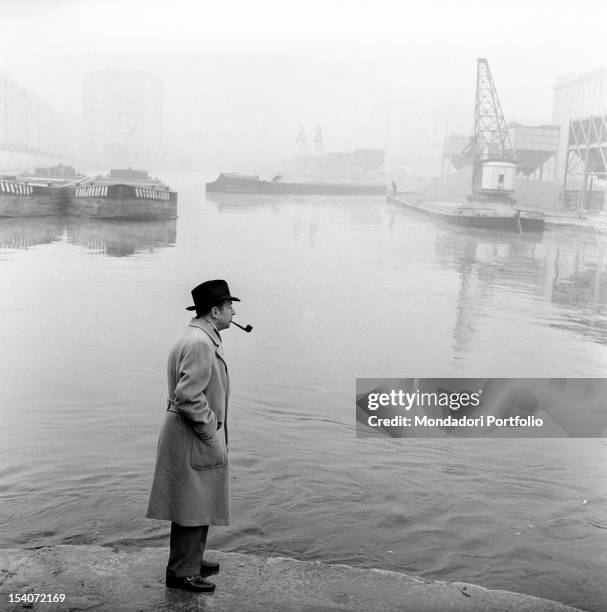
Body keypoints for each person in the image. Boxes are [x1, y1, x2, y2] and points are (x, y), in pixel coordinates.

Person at [147, 279, 240, 592]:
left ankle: (191, 560)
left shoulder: (198, 336)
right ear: (215, 311)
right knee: (192, 504)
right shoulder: (201, 342)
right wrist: (210, 427)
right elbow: (188, 396)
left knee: (196, 501)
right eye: (229, 306)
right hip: (192, 433)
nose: (233, 310)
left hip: (187, 433)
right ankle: (182, 573)